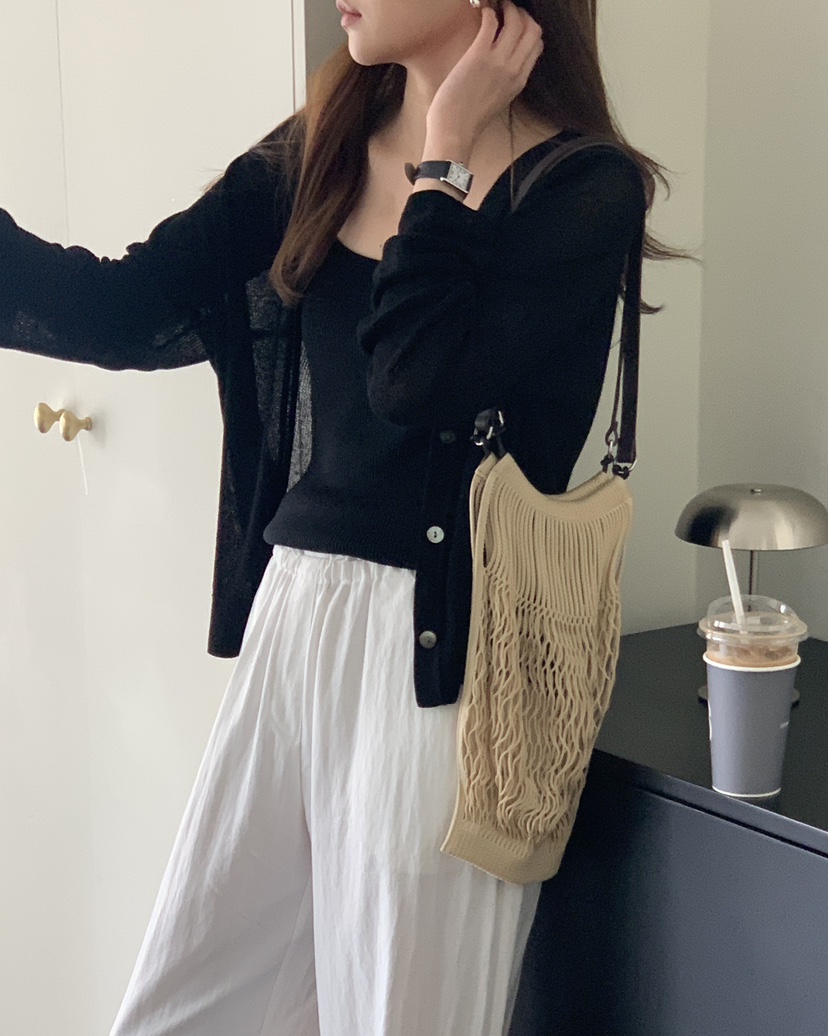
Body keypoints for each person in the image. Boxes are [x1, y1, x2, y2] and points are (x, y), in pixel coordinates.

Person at [0, 1, 692, 1032]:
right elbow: (121, 310)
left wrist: (443, 158)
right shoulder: (319, 148)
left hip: (448, 658)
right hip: (299, 619)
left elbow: (416, 378)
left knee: (398, 1012)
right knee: (187, 1007)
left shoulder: (581, 187)